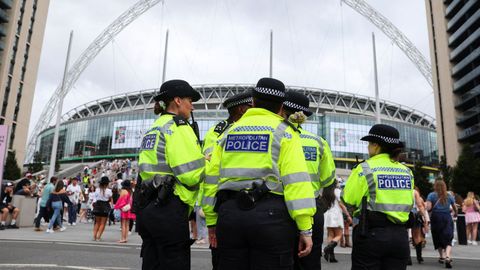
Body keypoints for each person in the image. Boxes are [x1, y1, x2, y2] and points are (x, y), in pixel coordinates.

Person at [203, 77, 316, 269]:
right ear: (281, 107)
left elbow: (212, 179)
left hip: (230, 216)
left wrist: (212, 221)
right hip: (272, 219)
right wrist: (305, 228)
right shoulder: (286, 133)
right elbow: (296, 183)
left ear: (253, 102)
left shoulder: (228, 133)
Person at [137, 79, 204, 270]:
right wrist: (206, 163)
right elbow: (190, 174)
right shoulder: (178, 127)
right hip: (170, 208)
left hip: (149, 206)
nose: (192, 106)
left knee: (152, 264)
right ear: (177, 100)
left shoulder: (154, 127)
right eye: (190, 100)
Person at [342, 124, 414, 270]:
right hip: (400, 236)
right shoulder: (406, 171)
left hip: (371, 236)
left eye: (369, 143)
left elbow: (348, 198)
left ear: (376, 145)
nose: (368, 147)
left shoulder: (364, 168)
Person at [281, 90, 337, 269]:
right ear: (304, 116)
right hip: (311, 208)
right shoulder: (318, 142)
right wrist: (321, 204)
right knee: (310, 261)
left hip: (279, 208)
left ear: (281, 110)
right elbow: (329, 179)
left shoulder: (276, 137)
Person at [202, 91, 252, 269]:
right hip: (225, 205)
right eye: (251, 107)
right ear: (241, 109)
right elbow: (211, 170)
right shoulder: (217, 132)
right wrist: (211, 220)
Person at [426, 180, 457, 268]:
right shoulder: (449, 196)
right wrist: (455, 214)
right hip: (447, 217)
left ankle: (441, 257)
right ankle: (447, 256)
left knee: (437, 236)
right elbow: (455, 208)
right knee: (448, 237)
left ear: (435, 186)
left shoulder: (431, 195)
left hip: (436, 217)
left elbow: (428, 207)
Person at [322, 183, 351, 263]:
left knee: (330, 234)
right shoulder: (337, 191)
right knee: (339, 235)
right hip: (336, 214)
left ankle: (331, 256)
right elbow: (340, 204)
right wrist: (347, 214)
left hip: (328, 214)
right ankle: (327, 249)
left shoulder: (325, 191)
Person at [411, 187, 430, 264]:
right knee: (417, 236)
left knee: (405, 236)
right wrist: (424, 217)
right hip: (414, 215)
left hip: (402, 214)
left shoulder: (400, 190)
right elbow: (420, 205)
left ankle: (407, 258)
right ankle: (419, 257)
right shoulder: (415, 192)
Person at [92, 176, 113, 241]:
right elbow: (110, 199)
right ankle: (98, 237)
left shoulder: (97, 190)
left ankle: (94, 236)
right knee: (103, 223)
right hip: (105, 206)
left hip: (98, 206)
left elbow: (95, 198)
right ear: (107, 183)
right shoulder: (109, 191)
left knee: (97, 223)